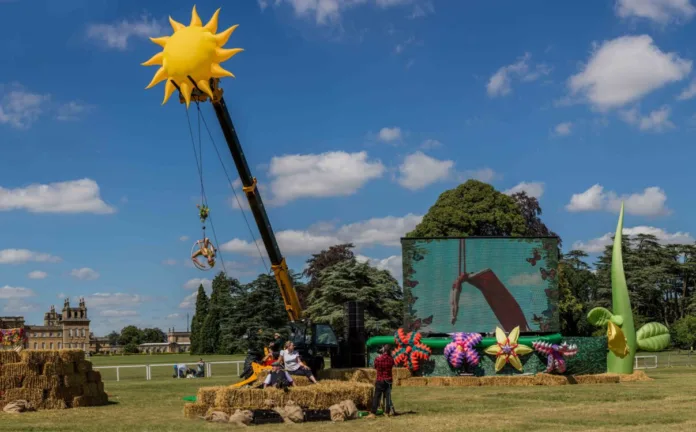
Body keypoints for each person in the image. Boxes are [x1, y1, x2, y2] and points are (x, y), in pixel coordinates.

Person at [367, 345, 395, 419]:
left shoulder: (378, 359)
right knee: (388, 397)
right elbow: (392, 365)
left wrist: (379, 356)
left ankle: (373, 413)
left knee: (377, 396)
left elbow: (375, 366)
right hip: (388, 380)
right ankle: (387, 412)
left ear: (383, 350)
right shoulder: (391, 359)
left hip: (380, 379)